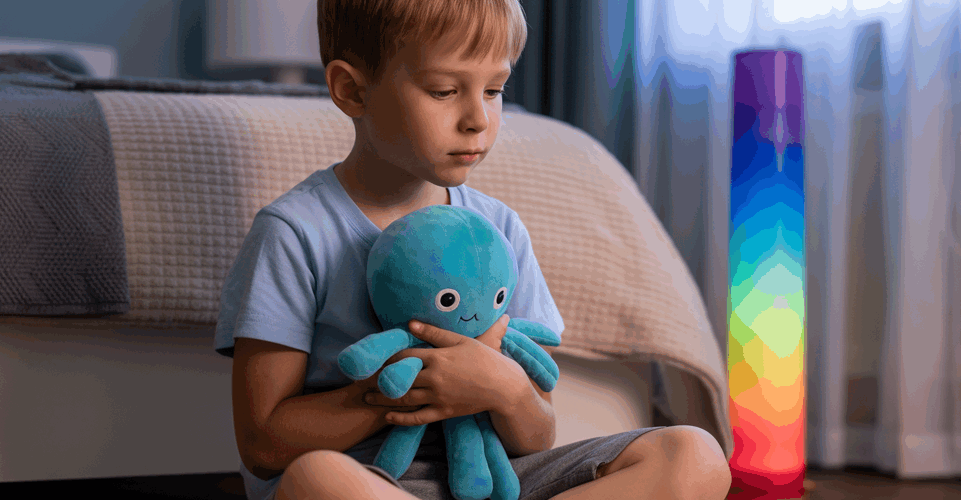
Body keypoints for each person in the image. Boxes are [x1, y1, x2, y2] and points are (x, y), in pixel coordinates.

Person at [214, 1, 733, 499]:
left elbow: (536, 435)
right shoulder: (295, 231)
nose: (477, 119)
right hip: (371, 478)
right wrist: (415, 386)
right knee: (318, 480)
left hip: (497, 481)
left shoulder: (497, 230)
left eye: (494, 89)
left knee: (695, 455)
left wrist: (503, 388)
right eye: (443, 91)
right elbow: (263, 444)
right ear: (351, 90)